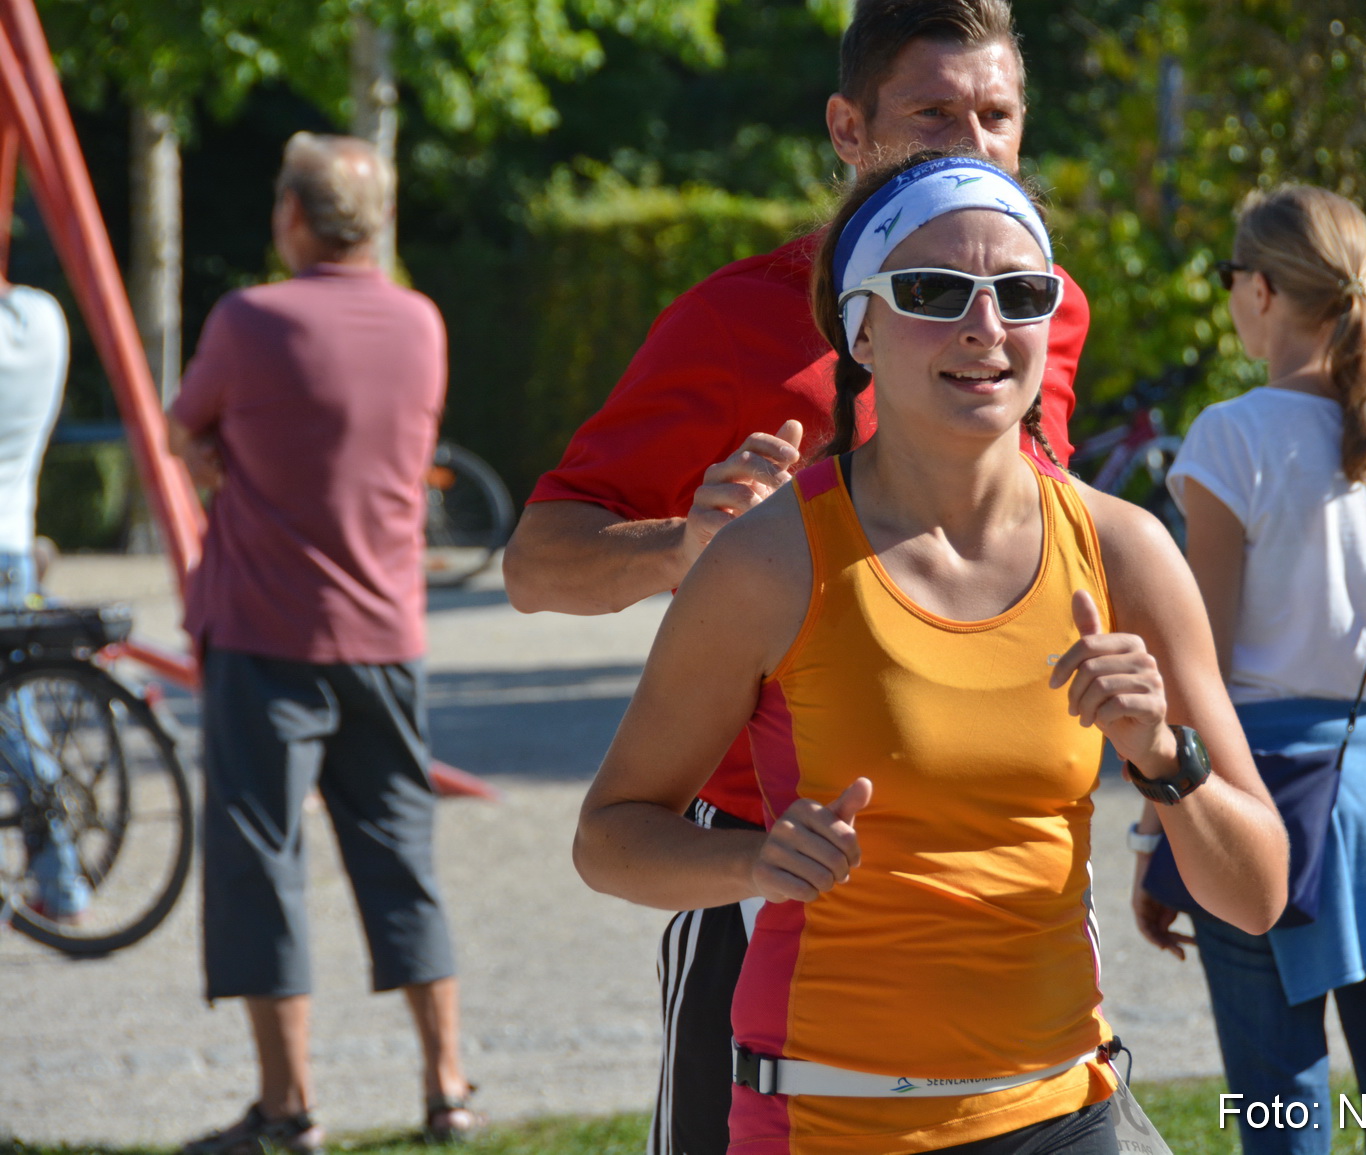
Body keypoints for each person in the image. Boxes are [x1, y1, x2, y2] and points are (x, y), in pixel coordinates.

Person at [574, 151, 1288, 1155]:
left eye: (1019, 292)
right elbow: (609, 836)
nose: (984, 326)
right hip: (827, 1118)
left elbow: (1256, 896)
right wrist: (753, 860)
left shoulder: (1122, 550)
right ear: (858, 329)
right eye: (933, 291)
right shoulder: (771, 561)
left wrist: (1163, 759)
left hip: (1062, 1111)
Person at [505, 4, 1092, 1152]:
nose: (972, 147)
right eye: (934, 115)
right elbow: (534, 565)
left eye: (998, 115)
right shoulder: (739, 322)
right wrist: (682, 548)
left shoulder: (1042, 310)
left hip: (1005, 894)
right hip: (769, 874)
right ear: (847, 128)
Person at [1143, 184, 1366, 1155]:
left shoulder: (1230, 437)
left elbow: (1193, 661)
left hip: (1261, 794)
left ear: (1257, 290)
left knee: (1279, 1110)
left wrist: (1155, 829)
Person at [168, 133, 477, 1155]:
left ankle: (287, 1109)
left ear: (293, 218)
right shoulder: (421, 322)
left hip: (265, 633)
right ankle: (447, 1090)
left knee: (263, 863)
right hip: (386, 635)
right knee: (402, 855)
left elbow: (185, 430)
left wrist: (231, 465)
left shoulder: (250, 318)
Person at [0, 274, 89, 923]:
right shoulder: (42, 318)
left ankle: (60, 878)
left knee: (13, 725)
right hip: (15, 540)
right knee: (12, 712)